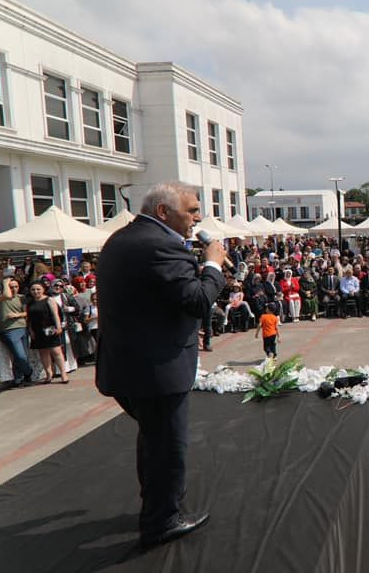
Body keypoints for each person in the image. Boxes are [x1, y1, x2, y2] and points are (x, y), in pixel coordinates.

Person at [95, 181, 227, 547]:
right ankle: (161, 521)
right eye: (192, 210)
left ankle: (159, 502)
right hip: (157, 370)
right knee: (168, 446)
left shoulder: (120, 239)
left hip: (126, 365)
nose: (198, 217)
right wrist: (213, 265)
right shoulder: (163, 246)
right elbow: (198, 301)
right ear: (163, 212)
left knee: (153, 440)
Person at [0, 277, 33, 386]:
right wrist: (5, 281)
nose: (13, 289)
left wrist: (17, 315)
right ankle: (29, 372)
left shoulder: (20, 298)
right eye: (10, 286)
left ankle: (18, 378)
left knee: (22, 356)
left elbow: (27, 313)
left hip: (22, 327)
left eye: (16, 287)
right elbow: (7, 295)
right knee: (19, 355)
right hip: (8, 330)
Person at [26, 281, 68, 384]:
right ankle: (49, 374)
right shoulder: (30, 303)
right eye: (33, 289)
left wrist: (58, 327)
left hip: (50, 329)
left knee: (56, 351)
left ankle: (63, 373)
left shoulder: (49, 300)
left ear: (43, 289)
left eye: (38, 289)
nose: (36, 291)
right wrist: (30, 330)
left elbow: (55, 314)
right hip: (37, 330)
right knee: (43, 353)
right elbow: (29, 319)